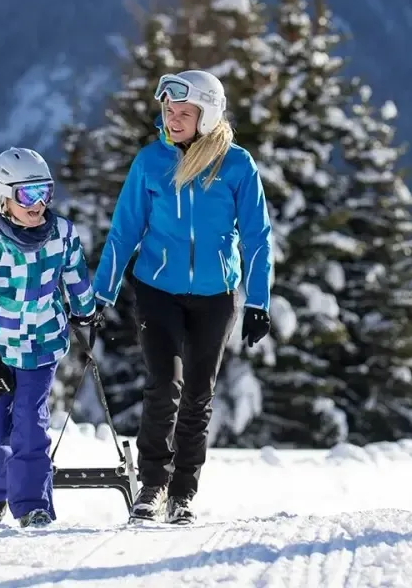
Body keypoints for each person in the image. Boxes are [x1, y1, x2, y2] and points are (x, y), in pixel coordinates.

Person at [93, 69, 274, 525]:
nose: (172, 119)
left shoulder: (236, 165)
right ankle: (152, 487)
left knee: (198, 393)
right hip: (157, 290)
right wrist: (101, 293)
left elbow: (257, 237)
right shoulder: (150, 162)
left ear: (207, 116)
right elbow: (123, 231)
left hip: (216, 296)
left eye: (184, 112)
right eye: (169, 111)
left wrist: (258, 302)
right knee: (164, 386)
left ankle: (183, 492)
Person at [0, 146, 98, 528]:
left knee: (30, 423)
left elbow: (74, 275)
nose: (38, 204)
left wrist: (86, 309)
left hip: (41, 347)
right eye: (27, 195)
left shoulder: (61, 234)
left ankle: (32, 504)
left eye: (45, 193)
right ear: (3, 199)